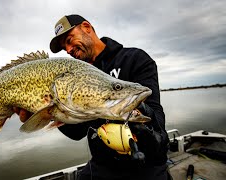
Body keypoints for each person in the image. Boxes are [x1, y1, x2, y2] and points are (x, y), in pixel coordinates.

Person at [14, 14, 171, 180]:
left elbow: (157, 120)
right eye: (64, 48)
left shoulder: (135, 59)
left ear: (86, 27)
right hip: (102, 166)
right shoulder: (75, 76)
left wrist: (139, 115)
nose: (68, 50)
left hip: (146, 167)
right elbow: (77, 133)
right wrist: (49, 112)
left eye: (69, 40)